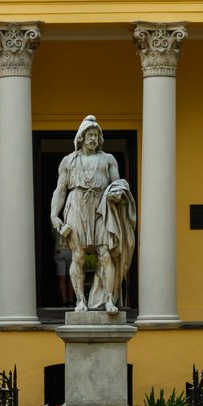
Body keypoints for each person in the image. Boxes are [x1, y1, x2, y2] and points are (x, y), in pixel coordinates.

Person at [49, 116, 138, 313]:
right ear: (81, 138)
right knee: (78, 256)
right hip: (77, 206)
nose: (93, 139)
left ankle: (108, 300)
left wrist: (117, 195)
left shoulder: (108, 159)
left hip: (101, 209)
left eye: (96, 135)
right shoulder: (69, 161)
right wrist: (54, 215)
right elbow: (60, 190)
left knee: (105, 254)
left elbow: (117, 185)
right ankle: (80, 301)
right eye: (89, 135)